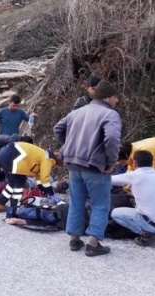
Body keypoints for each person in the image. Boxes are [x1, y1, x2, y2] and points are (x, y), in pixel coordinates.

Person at [53, 80, 122, 257]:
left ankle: (74, 240)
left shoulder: (77, 112)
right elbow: (113, 138)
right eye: (115, 97)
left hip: (74, 165)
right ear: (107, 97)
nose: (117, 101)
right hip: (95, 166)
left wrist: (69, 147)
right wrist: (111, 161)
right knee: (100, 204)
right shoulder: (110, 114)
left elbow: (58, 129)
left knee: (76, 201)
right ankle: (93, 244)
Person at [0, 141, 62, 212]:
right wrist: (51, 194)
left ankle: (0, 204)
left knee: (12, 183)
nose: (55, 168)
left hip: (4, 153)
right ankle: (15, 208)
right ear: (58, 163)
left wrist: (42, 189)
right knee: (19, 182)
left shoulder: (43, 155)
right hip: (13, 155)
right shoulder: (49, 160)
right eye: (57, 167)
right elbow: (45, 179)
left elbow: (38, 177)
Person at [110, 150, 155, 246]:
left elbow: (110, 180)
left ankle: (146, 234)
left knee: (115, 213)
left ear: (134, 163)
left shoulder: (135, 175)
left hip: (151, 223)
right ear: (152, 163)